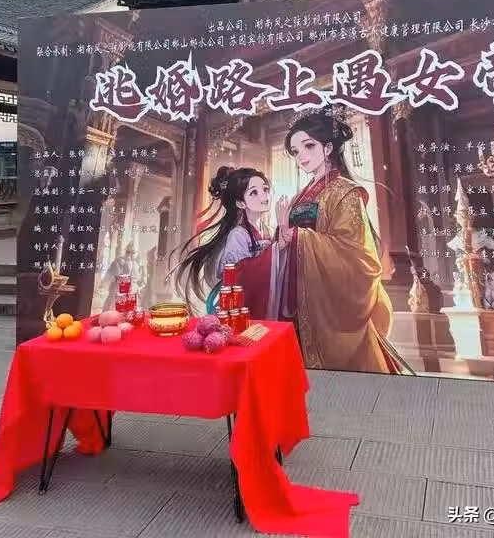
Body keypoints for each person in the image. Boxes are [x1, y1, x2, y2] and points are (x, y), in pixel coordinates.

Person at [258, 108, 412, 375]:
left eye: (308, 146)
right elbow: (288, 237)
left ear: (328, 148)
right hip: (298, 291)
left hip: (328, 299)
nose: (301, 156)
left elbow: (357, 255)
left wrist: (297, 236)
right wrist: (280, 236)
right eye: (295, 151)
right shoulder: (300, 195)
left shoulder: (345, 192)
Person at [172, 166, 286, 317]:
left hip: (263, 299)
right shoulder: (238, 235)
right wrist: (276, 248)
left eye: (265, 189)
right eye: (254, 192)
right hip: (242, 305)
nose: (264, 196)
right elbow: (240, 275)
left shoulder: (269, 230)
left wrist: (282, 232)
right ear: (240, 203)